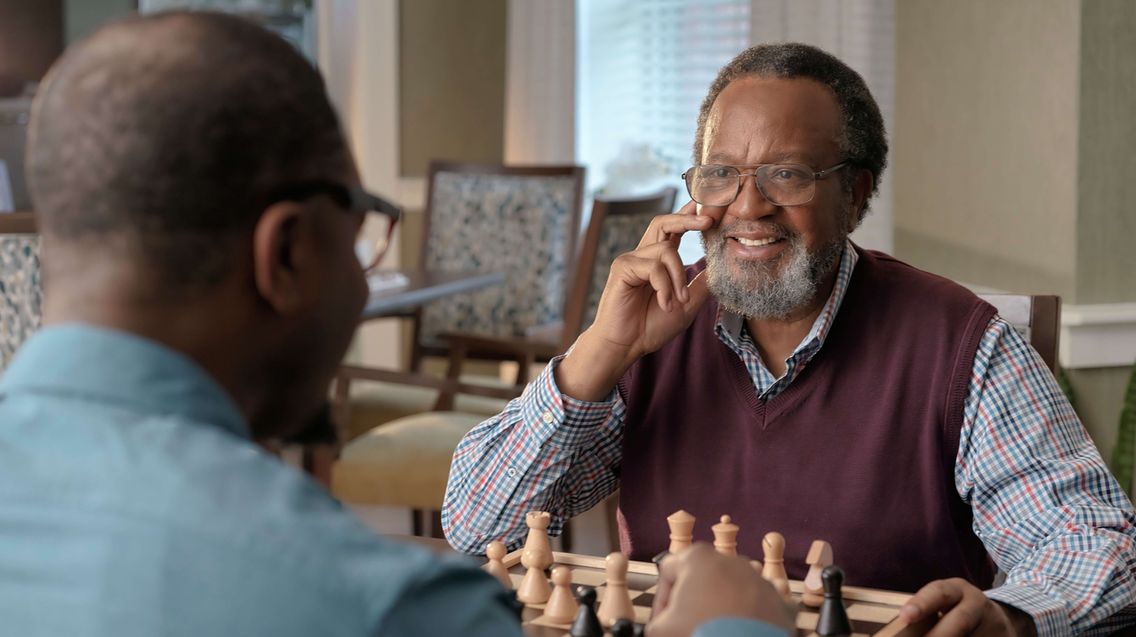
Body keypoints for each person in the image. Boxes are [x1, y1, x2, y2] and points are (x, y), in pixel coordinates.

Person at [0, 12, 792, 637]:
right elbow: (477, 521)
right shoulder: (388, 608)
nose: (751, 203)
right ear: (288, 252)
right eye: (365, 228)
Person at [444, 43, 1136, 636]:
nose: (748, 207)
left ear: (855, 193)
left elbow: (1109, 548)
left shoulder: (961, 344)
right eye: (721, 175)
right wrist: (603, 349)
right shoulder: (653, 328)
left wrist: (1009, 619)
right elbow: (474, 523)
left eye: (786, 174)